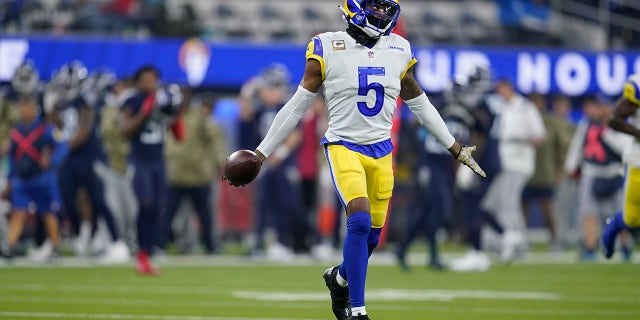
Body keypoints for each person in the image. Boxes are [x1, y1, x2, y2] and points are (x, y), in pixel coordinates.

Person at [224, 1, 485, 318]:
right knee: (359, 221)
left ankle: (339, 278)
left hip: (382, 150)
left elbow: (421, 104)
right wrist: (262, 152)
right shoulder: (326, 46)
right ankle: (357, 309)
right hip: (344, 146)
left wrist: (455, 147)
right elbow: (296, 106)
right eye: (374, 8)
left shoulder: (399, 48)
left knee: (371, 238)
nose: (381, 15)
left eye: (384, 9)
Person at [49, 61, 130, 264]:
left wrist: (62, 148)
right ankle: (79, 236)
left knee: (99, 200)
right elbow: (56, 127)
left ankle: (117, 242)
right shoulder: (62, 103)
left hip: (88, 157)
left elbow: (83, 132)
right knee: (65, 199)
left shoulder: (86, 101)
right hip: (70, 158)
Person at [120, 65, 184, 275]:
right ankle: (141, 252)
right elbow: (124, 131)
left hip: (158, 162)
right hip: (140, 161)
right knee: (145, 204)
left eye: (153, 79)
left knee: (158, 207)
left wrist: (174, 113)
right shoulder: (133, 100)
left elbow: (179, 135)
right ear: (138, 81)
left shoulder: (163, 100)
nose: (150, 83)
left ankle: (147, 251)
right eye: (146, 79)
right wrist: (144, 113)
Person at [480, 78, 546, 263]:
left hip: (519, 164)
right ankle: (496, 242)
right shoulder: (500, 108)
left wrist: (518, 139)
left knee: (508, 202)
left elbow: (539, 136)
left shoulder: (525, 108)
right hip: (501, 163)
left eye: (502, 90)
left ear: (509, 88)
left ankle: (518, 242)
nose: (500, 94)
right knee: (492, 203)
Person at [1, 95, 67, 261]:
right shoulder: (16, 131)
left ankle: (54, 245)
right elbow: (12, 157)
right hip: (22, 179)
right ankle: (10, 245)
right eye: (21, 106)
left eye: (27, 106)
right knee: (19, 211)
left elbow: (62, 146)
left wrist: (51, 161)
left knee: (47, 211)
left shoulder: (45, 129)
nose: (23, 110)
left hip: (41, 177)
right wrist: (10, 179)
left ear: (34, 109)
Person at [159, 92, 226, 255]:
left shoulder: (201, 116)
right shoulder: (168, 115)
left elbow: (215, 139)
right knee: (167, 213)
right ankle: (159, 245)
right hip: (175, 174)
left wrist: (221, 163)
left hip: (198, 174)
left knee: (205, 215)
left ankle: (211, 247)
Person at [565, 96, 630, 261]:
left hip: (613, 173)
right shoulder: (587, 123)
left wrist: (608, 132)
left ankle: (625, 246)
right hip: (591, 172)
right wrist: (571, 166)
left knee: (621, 214)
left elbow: (624, 149)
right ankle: (590, 247)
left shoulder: (618, 125)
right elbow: (578, 145)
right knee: (588, 213)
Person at [601, 73, 640, 259]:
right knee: (632, 219)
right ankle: (613, 228)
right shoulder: (638, 87)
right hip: (638, 161)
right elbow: (613, 120)